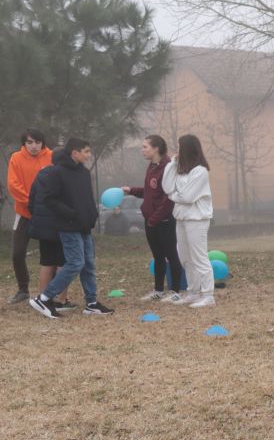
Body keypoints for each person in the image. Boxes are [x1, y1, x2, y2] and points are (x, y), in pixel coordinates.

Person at [28, 138, 114, 318]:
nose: (89, 155)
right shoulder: (56, 172)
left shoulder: (84, 173)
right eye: (86, 151)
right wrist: (71, 213)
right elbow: (50, 199)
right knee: (76, 263)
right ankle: (44, 298)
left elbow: (87, 198)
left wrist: (91, 215)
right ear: (75, 152)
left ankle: (91, 304)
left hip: (84, 226)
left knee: (88, 264)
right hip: (68, 226)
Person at [122, 135, 185, 303]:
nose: (142, 150)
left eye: (145, 147)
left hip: (163, 221)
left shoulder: (168, 167)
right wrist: (131, 190)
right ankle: (158, 290)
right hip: (150, 221)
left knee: (171, 255)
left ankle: (176, 291)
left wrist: (155, 218)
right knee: (157, 256)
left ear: (156, 148)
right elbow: (150, 192)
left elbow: (168, 198)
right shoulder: (151, 166)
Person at [162, 134, 214, 308]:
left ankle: (208, 295)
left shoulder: (200, 171)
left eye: (179, 146)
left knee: (199, 257)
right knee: (185, 257)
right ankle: (193, 292)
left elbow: (188, 197)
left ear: (187, 148)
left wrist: (174, 196)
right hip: (182, 218)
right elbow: (167, 187)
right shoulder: (180, 170)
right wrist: (172, 163)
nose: (177, 150)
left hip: (197, 219)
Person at [6, 129, 52, 303]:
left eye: (38, 142)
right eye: (30, 142)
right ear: (24, 144)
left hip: (47, 214)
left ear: (43, 143)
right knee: (17, 253)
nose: (34, 146)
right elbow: (13, 185)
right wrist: (31, 202)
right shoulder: (16, 158)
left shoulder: (51, 157)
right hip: (24, 213)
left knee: (51, 254)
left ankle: (50, 291)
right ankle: (23, 289)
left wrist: (45, 204)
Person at [27, 148, 74, 313]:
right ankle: (61, 300)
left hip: (43, 227)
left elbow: (31, 201)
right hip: (61, 225)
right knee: (63, 263)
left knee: (46, 262)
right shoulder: (66, 175)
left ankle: (42, 298)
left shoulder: (42, 174)